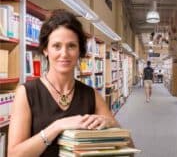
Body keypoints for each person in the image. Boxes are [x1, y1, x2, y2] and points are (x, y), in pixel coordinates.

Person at [7, 9, 120, 157]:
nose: (64, 54)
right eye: (56, 46)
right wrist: (57, 126)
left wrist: (112, 125)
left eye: (71, 46)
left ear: (80, 51)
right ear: (46, 50)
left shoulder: (91, 95)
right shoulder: (27, 92)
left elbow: (127, 146)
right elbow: (14, 154)